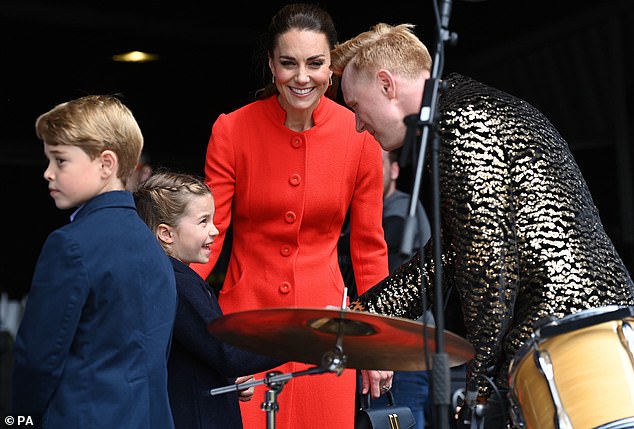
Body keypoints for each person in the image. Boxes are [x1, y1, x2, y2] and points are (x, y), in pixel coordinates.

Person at [330, 23, 634, 428]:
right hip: (599, 331)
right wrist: (364, 314)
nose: (357, 124)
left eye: (354, 105)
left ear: (386, 84)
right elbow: (454, 252)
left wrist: (479, 387)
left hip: (568, 337)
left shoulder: (463, 120)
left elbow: (487, 264)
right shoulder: (476, 108)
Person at [189, 4, 392, 428]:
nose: (302, 77)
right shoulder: (231, 130)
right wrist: (191, 325)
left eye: (315, 63)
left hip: (327, 335)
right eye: (288, 63)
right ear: (271, 64)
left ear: (332, 66)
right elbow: (209, 235)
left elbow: (369, 250)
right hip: (244, 331)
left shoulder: (360, 136)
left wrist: (376, 344)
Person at [11, 94, 178, 428]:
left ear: (106, 164)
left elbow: (38, 361)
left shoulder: (70, 244)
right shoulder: (153, 245)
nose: (47, 173)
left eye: (59, 160)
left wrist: (19, 421)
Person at [134, 171, 284, 429]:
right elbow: (228, 353)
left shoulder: (161, 278)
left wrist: (224, 379)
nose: (215, 230)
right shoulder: (180, 284)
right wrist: (303, 339)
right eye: (203, 221)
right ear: (166, 234)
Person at [366, 148, 433, 429]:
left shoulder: (403, 208)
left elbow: (383, 239)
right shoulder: (361, 217)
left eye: (375, 164)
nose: (368, 173)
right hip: (381, 346)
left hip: (406, 348)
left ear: (394, 171)